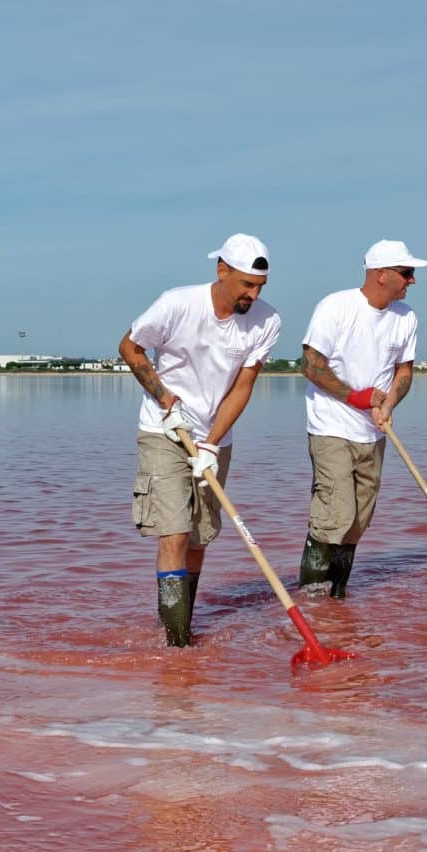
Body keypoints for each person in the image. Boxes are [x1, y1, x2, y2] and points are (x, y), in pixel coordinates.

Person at [117, 235, 283, 646]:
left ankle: (180, 626)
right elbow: (130, 347)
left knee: (198, 537)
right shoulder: (177, 304)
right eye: (247, 284)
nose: (254, 295)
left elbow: (243, 386)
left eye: (260, 286)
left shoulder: (267, 321)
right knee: (173, 533)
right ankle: (177, 644)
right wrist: (164, 398)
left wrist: (211, 442)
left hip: (214, 437)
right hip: (165, 430)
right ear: (222, 270)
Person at [298, 240, 425, 597]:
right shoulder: (336, 307)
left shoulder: (407, 317)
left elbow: (404, 371)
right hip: (331, 427)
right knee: (334, 517)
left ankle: (337, 601)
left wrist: (389, 404)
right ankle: (311, 603)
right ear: (381, 274)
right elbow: (310, 366)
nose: (412, 280)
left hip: (373, 432)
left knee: (356, 523)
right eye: (406, 273)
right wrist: (357, 397)